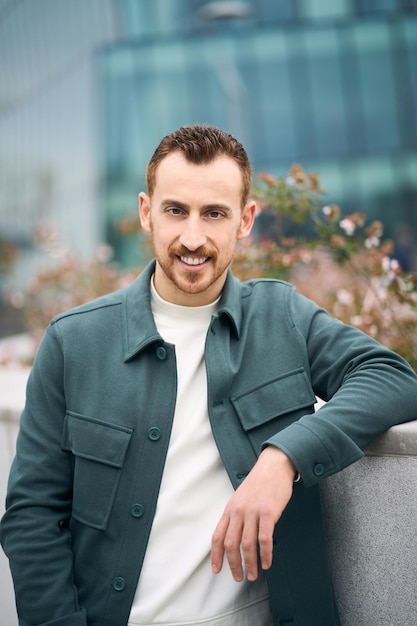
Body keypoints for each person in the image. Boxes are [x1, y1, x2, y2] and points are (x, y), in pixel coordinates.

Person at [1, 124, 417, 626]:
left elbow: (392, 376)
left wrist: (284, 458)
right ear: (144, 212)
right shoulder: (73, 342)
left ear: (244, 220)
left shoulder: (281, 314)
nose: (193, 238)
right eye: (175, 210)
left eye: (214, 213)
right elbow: (32, 516)